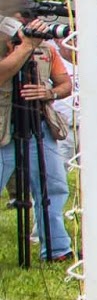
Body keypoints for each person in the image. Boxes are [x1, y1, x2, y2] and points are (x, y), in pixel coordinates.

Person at [0, 20, 75, 262]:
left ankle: (57, 249)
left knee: (53, 187)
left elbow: (65, 84)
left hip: (38, 125)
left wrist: (50, 93)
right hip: (4, 127)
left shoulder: (46, 51)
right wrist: (24, 47)